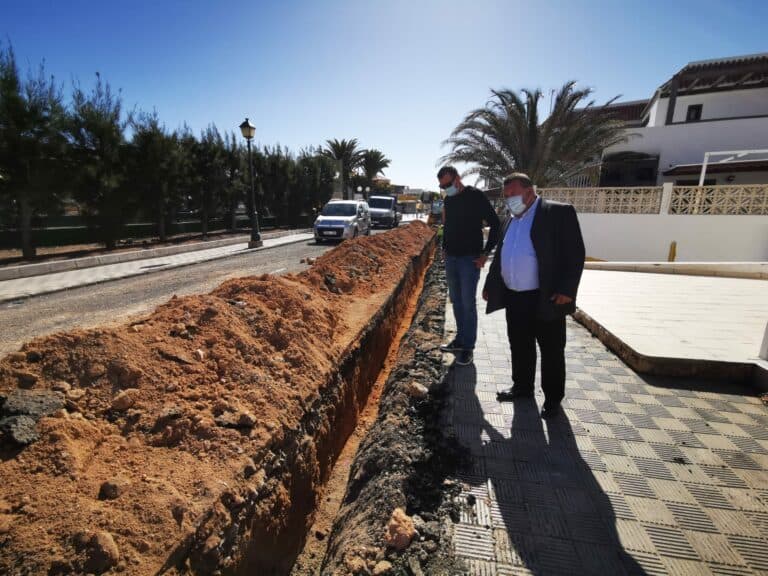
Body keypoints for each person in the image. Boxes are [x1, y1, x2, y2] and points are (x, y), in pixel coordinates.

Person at [482, 172, 585, 418]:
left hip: (546, 297)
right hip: (515, 297)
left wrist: (566, 290)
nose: (508, 200)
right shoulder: (510, 219)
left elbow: (575, 253)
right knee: (519, 345)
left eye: (513, 195)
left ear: (529, 192)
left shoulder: (557, 213)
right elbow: (501, 256)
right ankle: (522, 387)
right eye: (506, 196)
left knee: (551, 350)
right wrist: (491, 283)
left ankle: (552, 399)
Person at [437, 166, 501, 366]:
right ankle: (460, 339)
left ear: (458, 178)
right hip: (452, 258)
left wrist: (485, 253)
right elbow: (447, 226)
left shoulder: (476, 196)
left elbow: (496, 224)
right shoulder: (449, 199)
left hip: (469, 259)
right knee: (456, 301)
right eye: (442, 186)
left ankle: (468, 347)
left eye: (447, 184)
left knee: (467, 303)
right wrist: (444, 247)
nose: (445, 188)